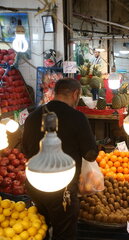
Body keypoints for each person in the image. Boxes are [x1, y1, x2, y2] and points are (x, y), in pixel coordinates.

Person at [22, 78, 98, 240]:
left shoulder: (33, 117)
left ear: (55, 92)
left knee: (37, 231)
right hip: (63, 191)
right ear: (76, 93)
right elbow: (91, 154)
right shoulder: (77, 117)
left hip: (35, 186)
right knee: (64, 234)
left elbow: (25, 151)